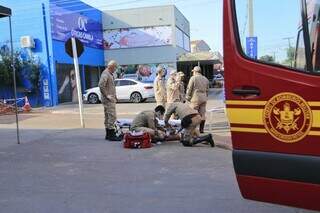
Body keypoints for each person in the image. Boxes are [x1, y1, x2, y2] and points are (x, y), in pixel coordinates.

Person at [99, 60, 122, 141]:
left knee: (108, 117)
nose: (115, 69)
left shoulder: (109, 74)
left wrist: (115, 96)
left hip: (111, 98)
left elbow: (111, 86)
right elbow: (101, 85)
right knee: (112, 116)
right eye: (115, 67)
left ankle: (108, 135)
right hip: (108, 100)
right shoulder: (106, 74)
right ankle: (111, 135)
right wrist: (107, 95)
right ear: (111, 66)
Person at [186, 66, 210, 133]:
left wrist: (187, 97)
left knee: (193, 114)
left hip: (195, 98)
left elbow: (189, 88)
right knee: (202, 114)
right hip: (203, 98)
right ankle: (201, 129)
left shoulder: (193, 78)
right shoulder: (205, 79)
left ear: (195, 71)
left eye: (193, 71)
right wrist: (205, 96)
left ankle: (193, 130)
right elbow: (208, 90)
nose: (193, 73)